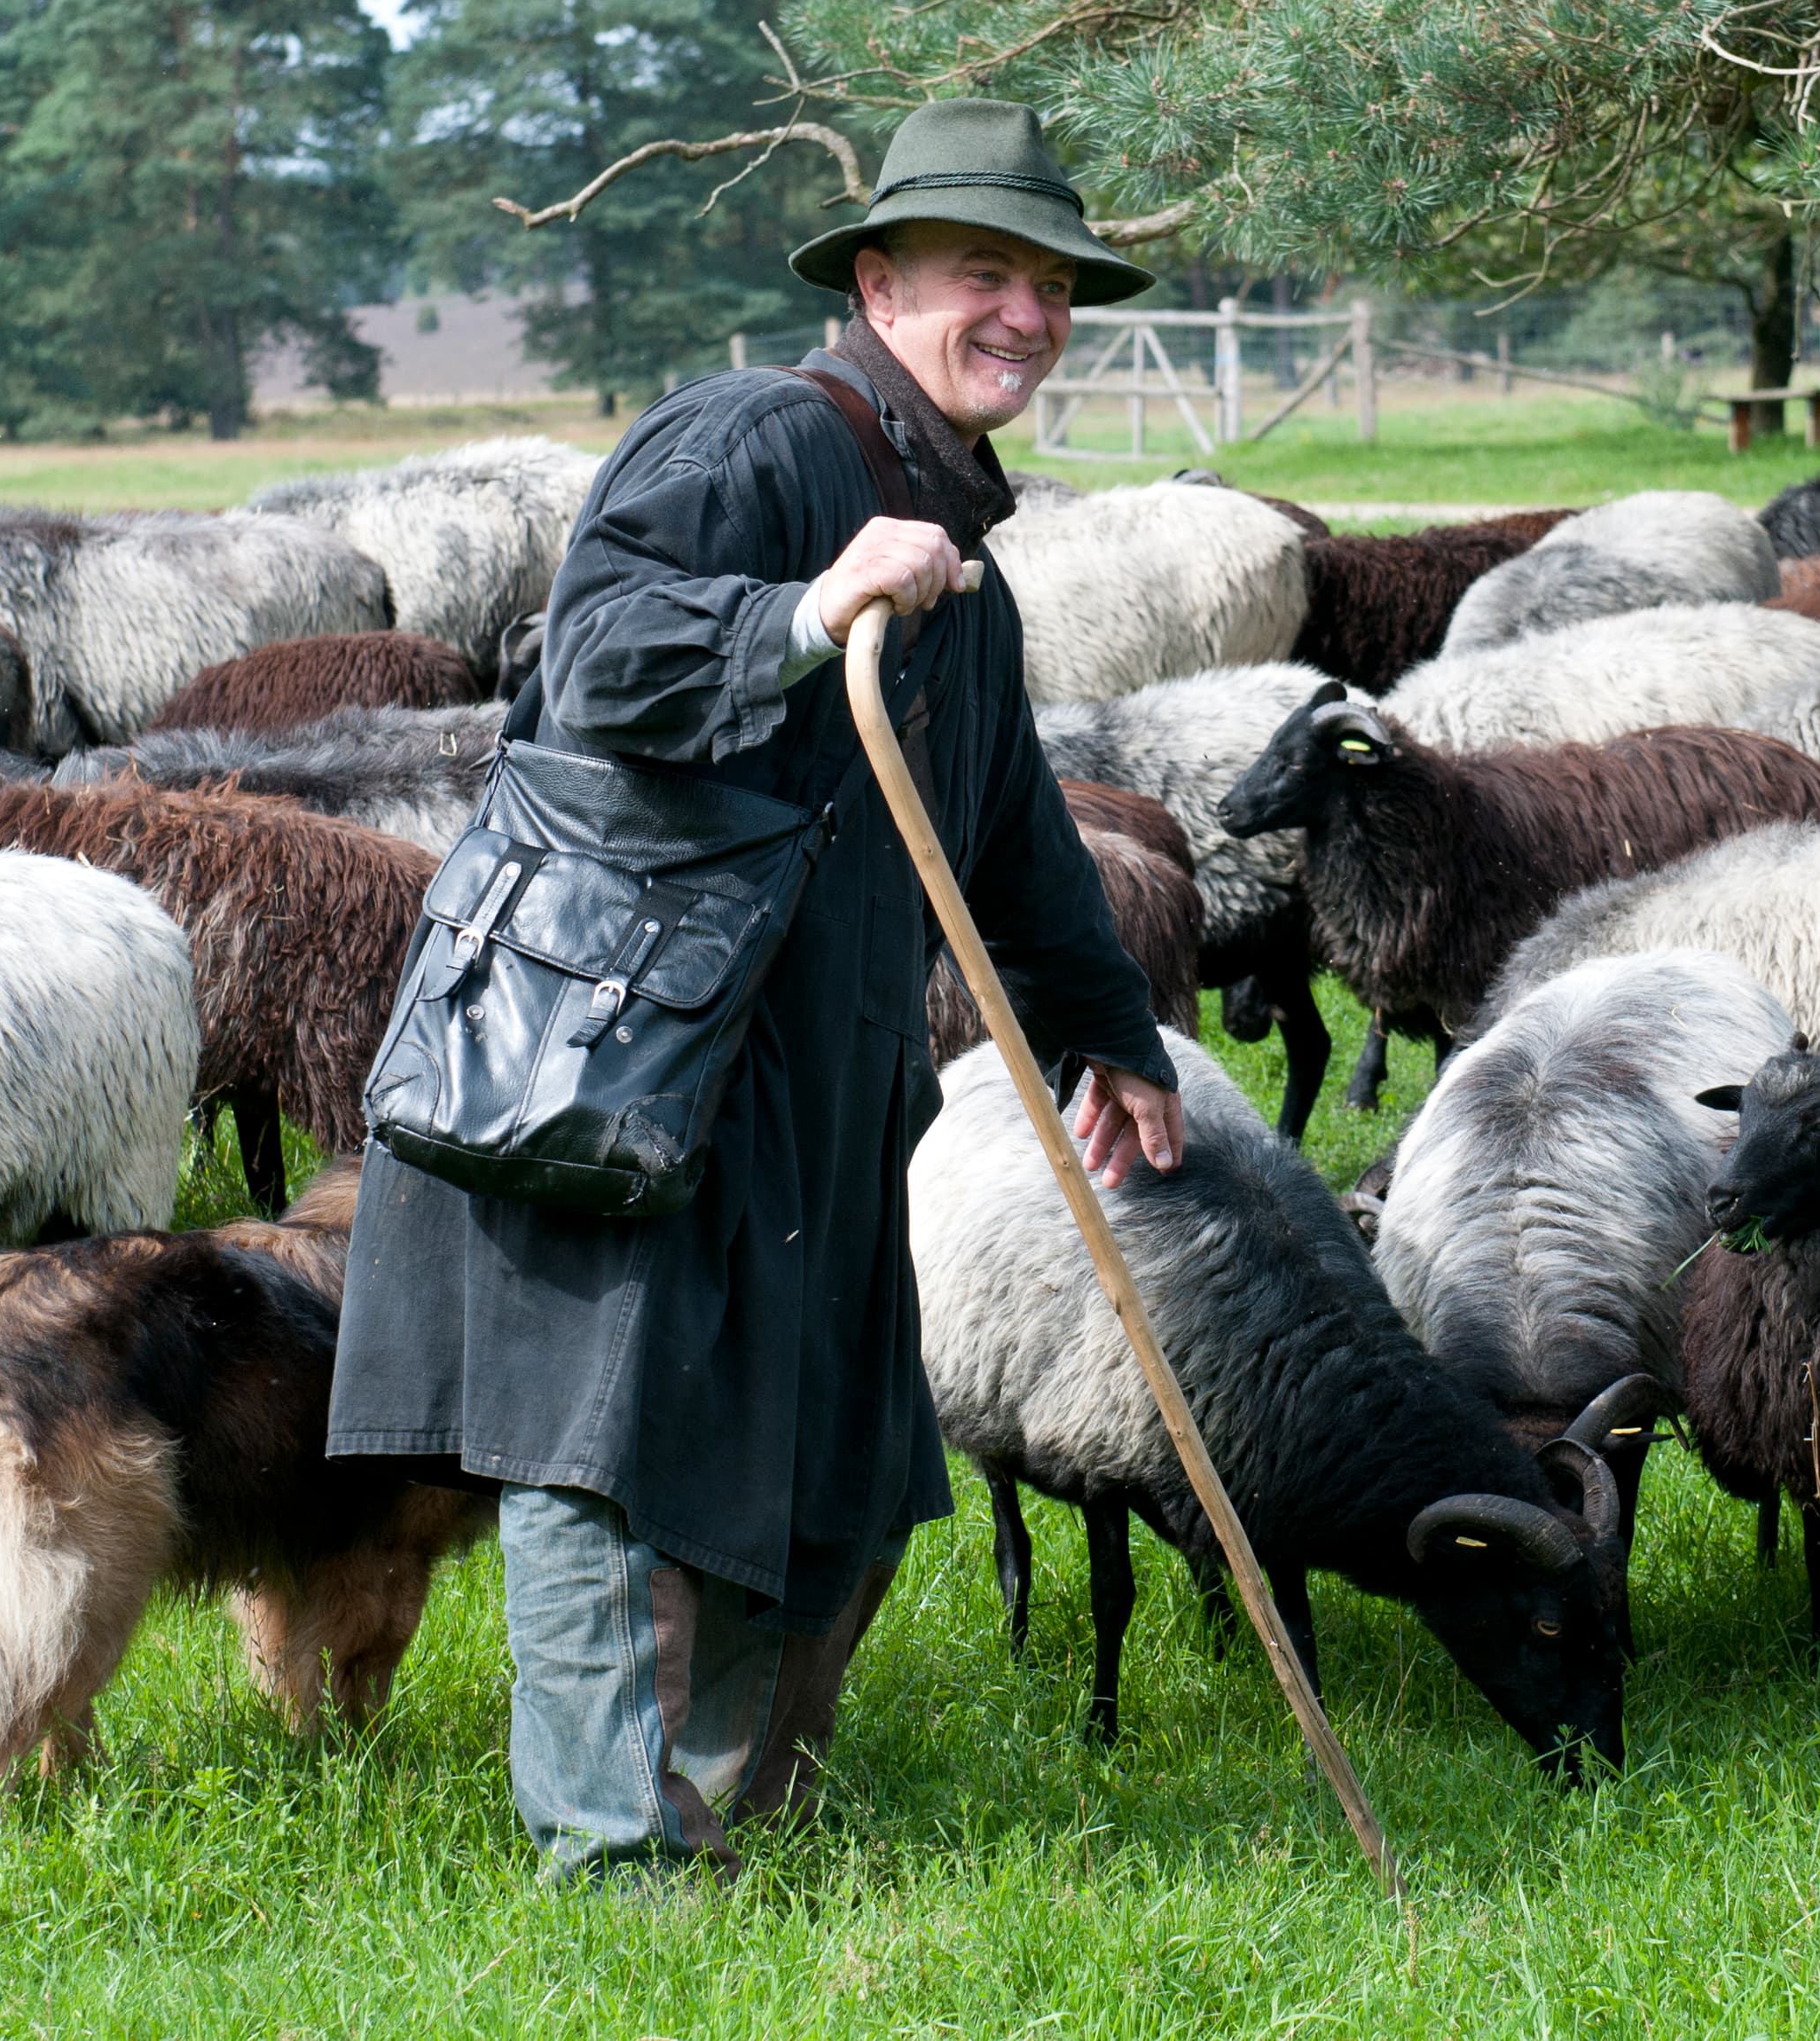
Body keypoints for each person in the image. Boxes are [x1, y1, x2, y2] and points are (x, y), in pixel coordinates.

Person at [326, 98, 1187, 1880]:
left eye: (1049, 286)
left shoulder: (964, 560)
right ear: (878, 284)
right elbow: (598, 652)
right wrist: (802, 610)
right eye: (982, 277)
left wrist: (1102, 1022)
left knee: (849, 1452)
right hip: (631, 1061)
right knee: (617, 1444)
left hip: (817, 1072)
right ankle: (622, 1863)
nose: (1025, 315)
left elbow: (1012, 831)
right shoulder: (749, 445)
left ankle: (740, 1804)